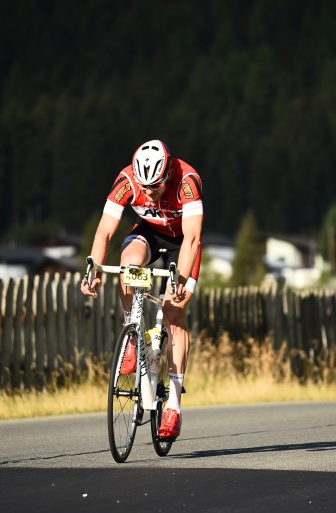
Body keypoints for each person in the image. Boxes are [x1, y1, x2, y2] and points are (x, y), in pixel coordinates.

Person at [81, 139, 203, 439]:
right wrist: (93, 269)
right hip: (149, 233)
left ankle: (173, 406)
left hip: (181, 244)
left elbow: (192, 240)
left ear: (167, 173)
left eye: (156, 187)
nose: (149, 192)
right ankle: (133, 334)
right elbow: (105, 230)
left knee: (173, 312)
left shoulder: (187, 180)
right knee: (128, 265)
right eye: (144, 187)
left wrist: (180, 281)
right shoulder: (126, 181)